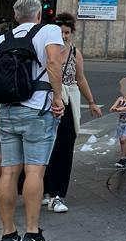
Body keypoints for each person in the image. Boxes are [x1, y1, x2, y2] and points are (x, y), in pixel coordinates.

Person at [0, 0, 65, 241]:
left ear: (16, 16)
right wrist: (57, 97)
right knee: (34, 172)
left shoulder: (2, 39)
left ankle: (8, 234)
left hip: (7, 110)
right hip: (37, 110)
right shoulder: (49, 31)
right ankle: (32, 234)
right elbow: (53, 62)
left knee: (9, 172)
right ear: (39, 14)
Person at [42, 13, 103, 214]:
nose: (64, 36)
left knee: (64, 149)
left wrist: (91, 102)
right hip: (47, 103)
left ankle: (57, 194)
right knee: (45, 149)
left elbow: (81, 78)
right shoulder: (44, 51)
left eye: (67, 32)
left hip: (68, 105)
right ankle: (44, 190)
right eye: (60, 32)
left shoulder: (74, 53)